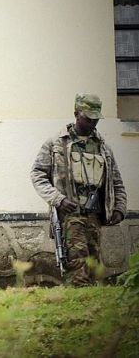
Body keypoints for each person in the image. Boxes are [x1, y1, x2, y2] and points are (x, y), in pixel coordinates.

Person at [31, 94, 127, 286]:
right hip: (70, 216)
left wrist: (119, 208)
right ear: (76, 113)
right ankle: (77, 306)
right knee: (77, 269)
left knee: (93, 267)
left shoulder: (103, 148)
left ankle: (88, 309)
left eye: (96, 117)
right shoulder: (56, 144)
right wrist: (58, 199)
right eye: (88, 117)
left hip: (95, 217)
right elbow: (38, 175)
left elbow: (116, 181)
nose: (92, 121)